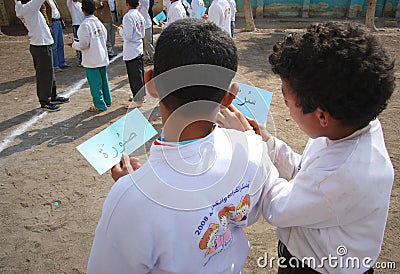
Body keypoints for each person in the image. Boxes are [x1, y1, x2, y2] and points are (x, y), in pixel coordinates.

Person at [86, 18, 280, 273]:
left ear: (150, 83)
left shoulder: (128, 201)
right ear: (230, 95)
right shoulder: (252, 148)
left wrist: (135, 187)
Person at [217, 21, 395, 273]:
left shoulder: (346, 171)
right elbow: (306, 173)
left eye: (287, 99)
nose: (284, 104)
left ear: (322, 116)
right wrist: (268, 143)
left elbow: (277, 207)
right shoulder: (350, 124)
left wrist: (250, 144)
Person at [15, 0, 70, 111]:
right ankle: (45, 101)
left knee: (49, 73)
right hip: (40, 45)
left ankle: (53, 96)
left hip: (42, 43)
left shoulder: (23, 8)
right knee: (44, 75)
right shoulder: (28, 8)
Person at [72, 0, 112, 112]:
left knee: (95, 83)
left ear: (82, 10)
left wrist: (74, 44)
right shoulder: (97, 21)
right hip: (101, 55)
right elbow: (104, 35)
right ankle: (107, 100)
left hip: (91, 59)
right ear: (94, 9)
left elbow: (84, 44)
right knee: (103, 80)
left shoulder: (85, 25)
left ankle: (100, 104)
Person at [117, 0, 146, 106]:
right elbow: (142, 33)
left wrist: (120, 30)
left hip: (132, 50)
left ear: (127, 4)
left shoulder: (128, 16)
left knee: (134, 76)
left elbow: (128, 36)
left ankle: (139, 99)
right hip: (138, 47)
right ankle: (140, 96)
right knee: (139, 74)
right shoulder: (139, 15)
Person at [46, 0, 69, 72]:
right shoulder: (44, 1)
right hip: (52, 22)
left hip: (58, 21)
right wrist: (48, 25)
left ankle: (62, 63)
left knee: (60, 44)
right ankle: (55, 65)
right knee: (54, 45)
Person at [66, 0, 85, 66]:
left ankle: (84, 59)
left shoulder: (80, 4)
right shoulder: (71, 4)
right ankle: (80, 60)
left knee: (83, 41)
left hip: (83, 24)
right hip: (76, 24)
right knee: (77, 41)